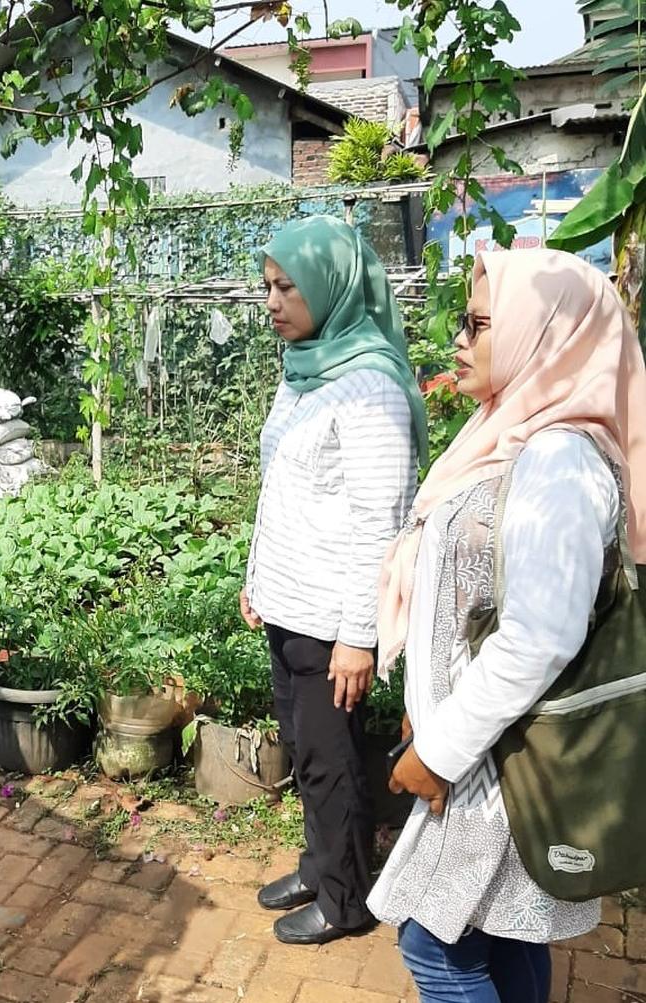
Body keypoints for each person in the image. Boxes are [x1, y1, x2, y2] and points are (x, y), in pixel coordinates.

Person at [370, 248, 646, 1002]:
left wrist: (439, 747)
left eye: (481, 323)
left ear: (545, 336)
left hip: (497, 755)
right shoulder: (514, 434)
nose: (458, 339)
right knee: (497, 929)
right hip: (490, 741)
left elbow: (540, 635)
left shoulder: (558, 460)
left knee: (435, 944)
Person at [242, 215, 426, 946]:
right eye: (268, 287)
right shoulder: (305, 368)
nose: (273, 302)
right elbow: (279, 483)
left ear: (331, 285)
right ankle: (320, 866)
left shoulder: (369, 386)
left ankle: (348, 897)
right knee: (305, 747)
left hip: (331, 618)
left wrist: (358, 637)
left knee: (332, 761)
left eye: (288, 286)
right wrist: (257, 577)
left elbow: (379, 519)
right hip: (290, 601)